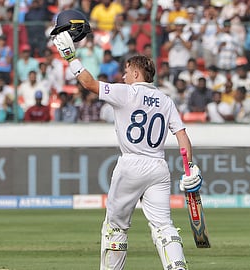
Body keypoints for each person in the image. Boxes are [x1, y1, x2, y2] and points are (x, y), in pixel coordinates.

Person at [53, 31, 203, 270]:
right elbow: (182, 135)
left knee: (115, 226)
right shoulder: (165, 100)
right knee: (164, 226)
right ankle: (177, 267)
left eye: (125, 72)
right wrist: (190, 168)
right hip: (158, 167)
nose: (122, 77)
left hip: (131, 164)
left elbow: (89, 84)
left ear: (135, 73)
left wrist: (71, 57)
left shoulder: (126, 92)